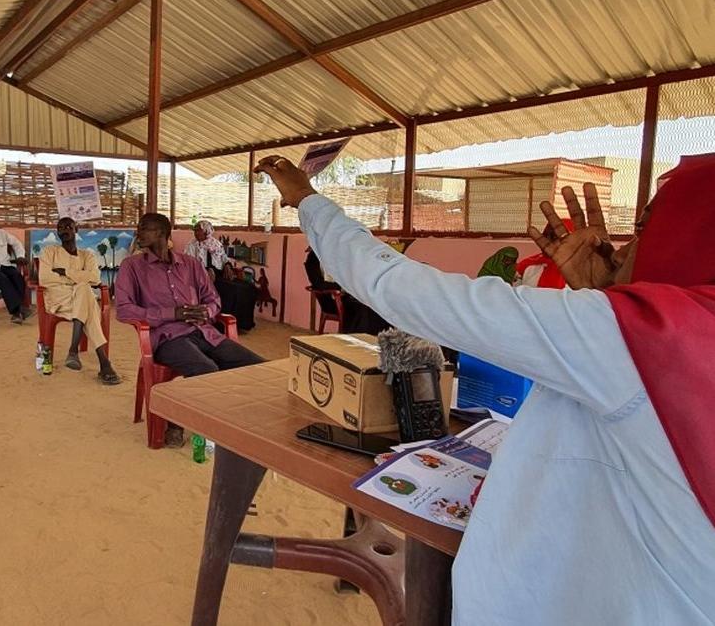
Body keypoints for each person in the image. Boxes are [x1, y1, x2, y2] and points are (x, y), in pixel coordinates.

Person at [255, 153, 715, 625]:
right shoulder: (672, 336)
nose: (624, 247)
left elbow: (399, 287)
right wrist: (604, 296)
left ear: (689, 232)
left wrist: (308, 200)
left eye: (644, 226)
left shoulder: (648, 336)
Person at [116, 213, 264, 446]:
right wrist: (172, 313)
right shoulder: (132, 266)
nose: (138, 232)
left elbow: (213, 299)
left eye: (144, 228)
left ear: (162, 233)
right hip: (168, 338)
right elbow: (124, 310)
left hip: (205, 332)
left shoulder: (190, 264)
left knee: (259, 367)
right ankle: (175, 421)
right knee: (205, 369)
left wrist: (207, 311)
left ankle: (232, 418)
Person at [38, 217, 120, 385]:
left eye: (69, 227)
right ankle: (103, 362)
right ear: (57, 232)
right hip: (59, 299)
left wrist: (65, 272)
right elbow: (45, 278)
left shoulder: (87, 255)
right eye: (61, 228)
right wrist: (78, 279)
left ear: (76, 230)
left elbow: (95, 278)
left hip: (78, 300)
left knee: (83, 290)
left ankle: (74, 351)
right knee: (85, 292)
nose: (65, 230)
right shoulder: (49, 252)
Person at [185, 220, 257, 331]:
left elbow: (224, 258)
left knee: (248, 287)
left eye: (199, 230)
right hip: (204, 277)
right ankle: (222, 325)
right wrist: (205, 271)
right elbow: (189, 264)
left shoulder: (216, 244)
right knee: (231, 290)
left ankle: (243, 323)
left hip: (219, 273)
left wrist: (227, 265)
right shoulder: (192, 246)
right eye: (195, 230)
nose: (196, 233)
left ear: (207, 231)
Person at [304, 246, 390, 335]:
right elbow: (318, 284)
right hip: (332, 299)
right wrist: (343, 287)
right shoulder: (313, 258)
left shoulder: (339, 255)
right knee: (361, 307)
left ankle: (380, 338)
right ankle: (357, 338)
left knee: (377, 304)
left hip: (351, 294)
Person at [515, 220, 574, 288]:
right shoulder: (526, 266)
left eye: (553, 237)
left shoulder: (580, 272)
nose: (547, 240)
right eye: (545, 235)